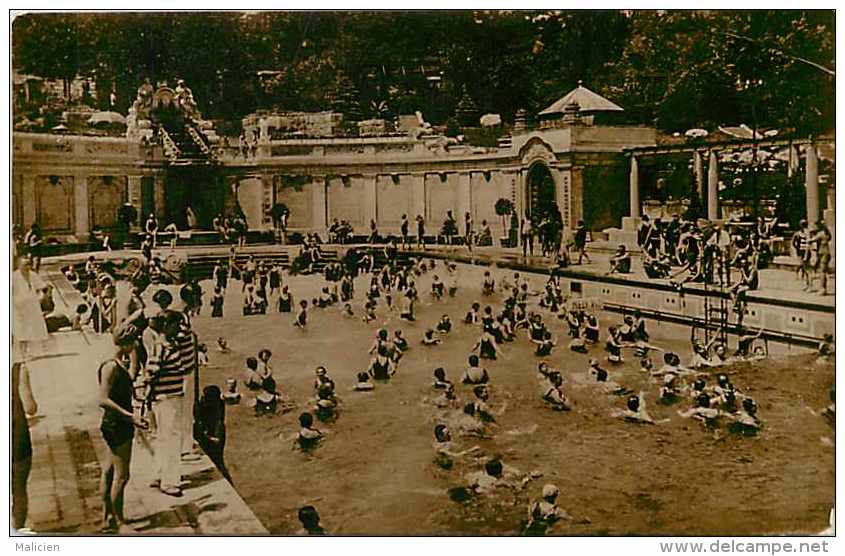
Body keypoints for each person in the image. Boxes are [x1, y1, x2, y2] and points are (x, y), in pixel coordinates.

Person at [98, 330, 147, 532]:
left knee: (109, 471)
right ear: (125, 342)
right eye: (134, 340)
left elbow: (122, 387)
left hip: (112, 423)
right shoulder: (112, 366)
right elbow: (103, 399)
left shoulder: (115, 363)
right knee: (122, 475)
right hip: (118, 424)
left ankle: (107, 516)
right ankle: (119, 522)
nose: (136, 342)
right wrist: (131, 416)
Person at [194, 385, 231, 482]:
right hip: (208, 433)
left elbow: (217, 440)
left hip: (212, 436)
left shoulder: (218, 410)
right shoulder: (205, 406)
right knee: (219, 462)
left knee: (218, 461)